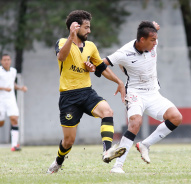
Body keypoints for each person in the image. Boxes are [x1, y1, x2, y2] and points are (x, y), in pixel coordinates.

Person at [87, 21, 183, 173]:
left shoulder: (151, 40)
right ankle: (117, 166)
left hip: (153, 93)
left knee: (176, 117)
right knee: (136, 122)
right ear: (142, 39)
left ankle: (145, 145)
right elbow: (101, 63)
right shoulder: (124, 52)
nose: (155, 43)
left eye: (156, 39)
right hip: (134, 93)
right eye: (152, 40)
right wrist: (92, 67)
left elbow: (153, 27)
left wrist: (153, 25)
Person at [46, 10, 126, 174]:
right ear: (75, 27)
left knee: (107, 111)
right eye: (86, 27)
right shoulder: (62, 42)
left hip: (87, 92)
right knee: (69, 141)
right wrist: (71, 36)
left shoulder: (91, 46)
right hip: (68, 97)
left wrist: (119, 82)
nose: (89, 31)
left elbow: (101, 68)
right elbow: (61, 57)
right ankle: (58, 162)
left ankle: (107, 152)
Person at [0, 54, 28, 151]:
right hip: (1, 100)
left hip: (11, 99)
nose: (6, 61)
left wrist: (20, 88)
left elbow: (12, 84)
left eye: (8, 59)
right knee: (1, 123)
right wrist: (3, 88)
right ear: (1, 61)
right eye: (4, 60)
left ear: (10, 61)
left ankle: (14, 145)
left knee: (14, 119)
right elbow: (6, 86)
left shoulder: (13, 71)